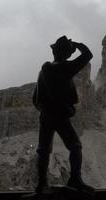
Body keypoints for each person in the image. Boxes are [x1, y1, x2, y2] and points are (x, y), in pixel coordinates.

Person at [32, 35, 93, 194]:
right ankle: (75, 180)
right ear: (66, 53)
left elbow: (35, 97)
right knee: (75, 146)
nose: (71, 54)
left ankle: (41, 184)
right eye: (69, 51)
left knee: (44, 150)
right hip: (59, 115)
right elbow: (87, 55)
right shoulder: (65, 67)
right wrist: (77, 44)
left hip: (46, 115)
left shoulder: (44, 69)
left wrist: (44, 108)